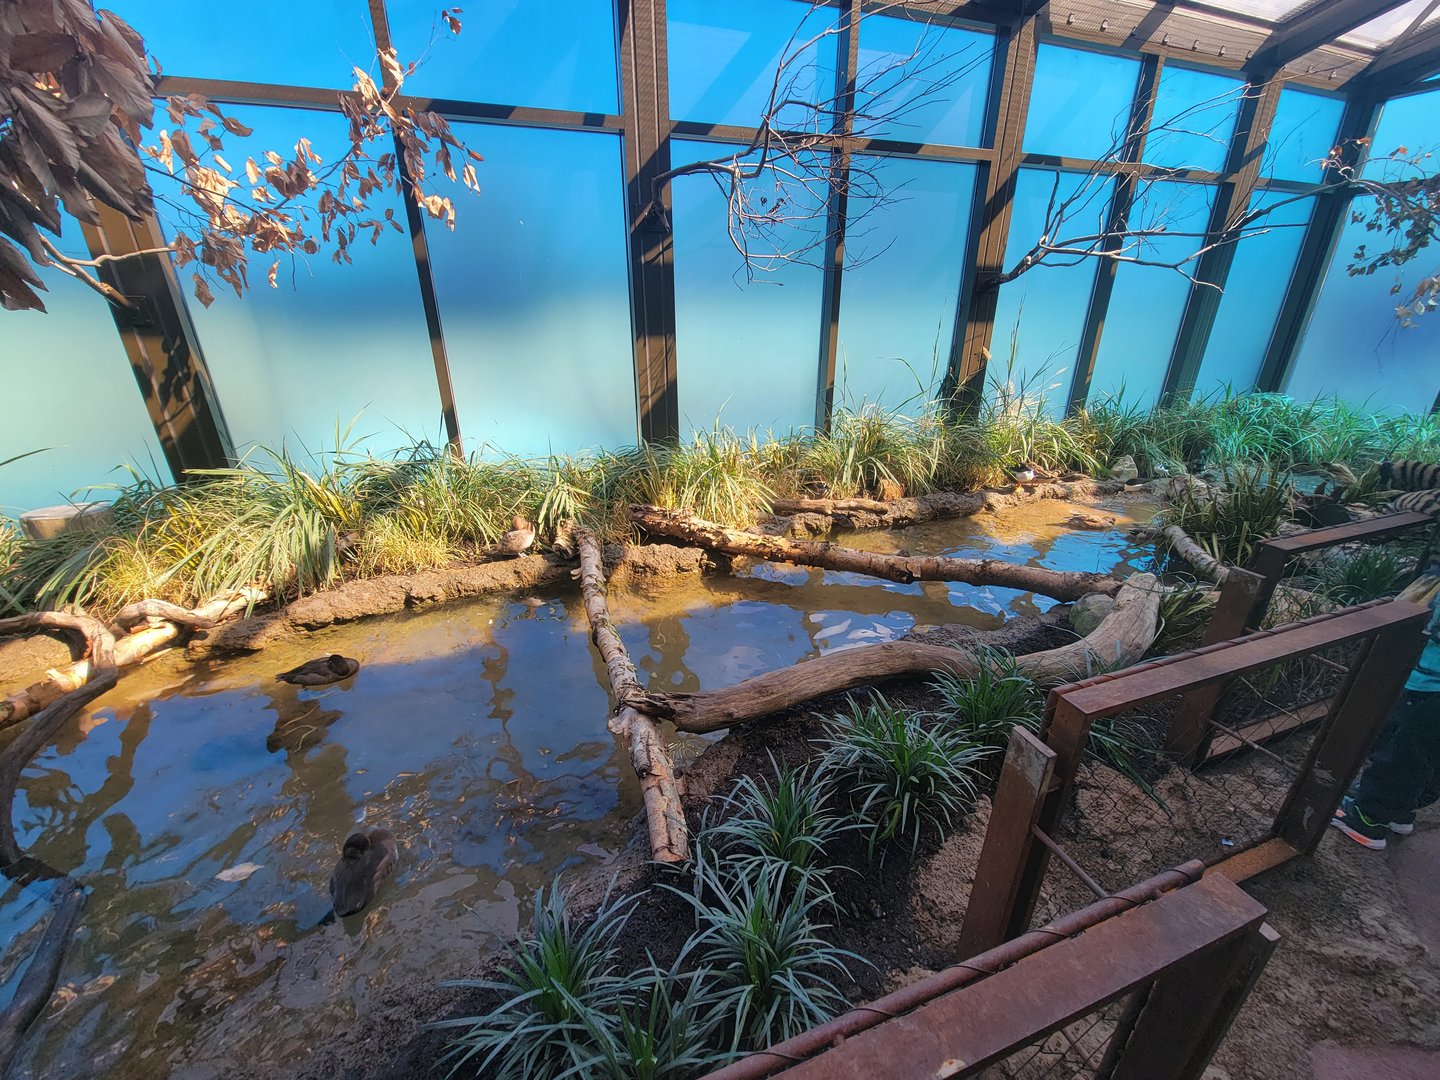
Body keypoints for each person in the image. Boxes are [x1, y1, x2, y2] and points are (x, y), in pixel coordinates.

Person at [1330, 584, 1440, 850]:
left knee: (1400, 750)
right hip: (1431, 684)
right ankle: (1400, 810)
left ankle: (1368, 818)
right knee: (1427, 750)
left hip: (1429, 681)